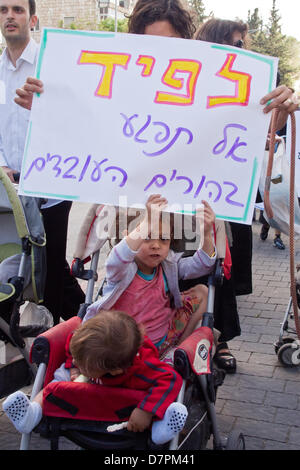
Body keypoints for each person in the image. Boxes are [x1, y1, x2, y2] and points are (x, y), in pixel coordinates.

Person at [13, 1, 299, 362]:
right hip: (130, 217)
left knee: (187, 289)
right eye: (149, 45)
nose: (159, 55)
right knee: (134, 294)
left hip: (188, 215)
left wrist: (279, 110)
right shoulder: (117, 84)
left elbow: (245, 134)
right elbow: (85, 130)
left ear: (187, 43)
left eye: (169, 45)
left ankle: (186, 366)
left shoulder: (208, 83)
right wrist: (45, 111)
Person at [0, 0, 85, 324]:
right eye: (4, 9)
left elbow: (76, 123)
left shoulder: (52, 67)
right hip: (15, 189)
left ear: (32, 19)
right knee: (38, 265)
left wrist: (47, 109)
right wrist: (3, 164)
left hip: (53, 186)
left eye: (18, 9)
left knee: (48, 267)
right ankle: (89, 326)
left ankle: (73, 333)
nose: (10, 16)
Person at [3, 309, 188, 445]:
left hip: (125, 399)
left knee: (159, 400)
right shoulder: (84, 342)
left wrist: (147, 410)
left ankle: (159, 430)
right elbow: (72, 346)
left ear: (115, 371)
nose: (77, 359)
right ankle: (31, 414)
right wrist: (73, 365)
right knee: (59, 378)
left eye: (83, 363)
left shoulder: (142, 368)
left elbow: (171, 379)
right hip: (92, 374)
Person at [84, 194, 216, 359]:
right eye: (147, 238)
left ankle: (178, 348)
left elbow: (203, 265)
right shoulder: (121, 270)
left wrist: (207, 233)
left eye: (164, 239)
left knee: (203, 292)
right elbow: (119, 256)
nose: (156, 245)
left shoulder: (169, 265)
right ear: (128, 236)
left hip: (161, 339)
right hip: (123, 346)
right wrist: (148, 221)